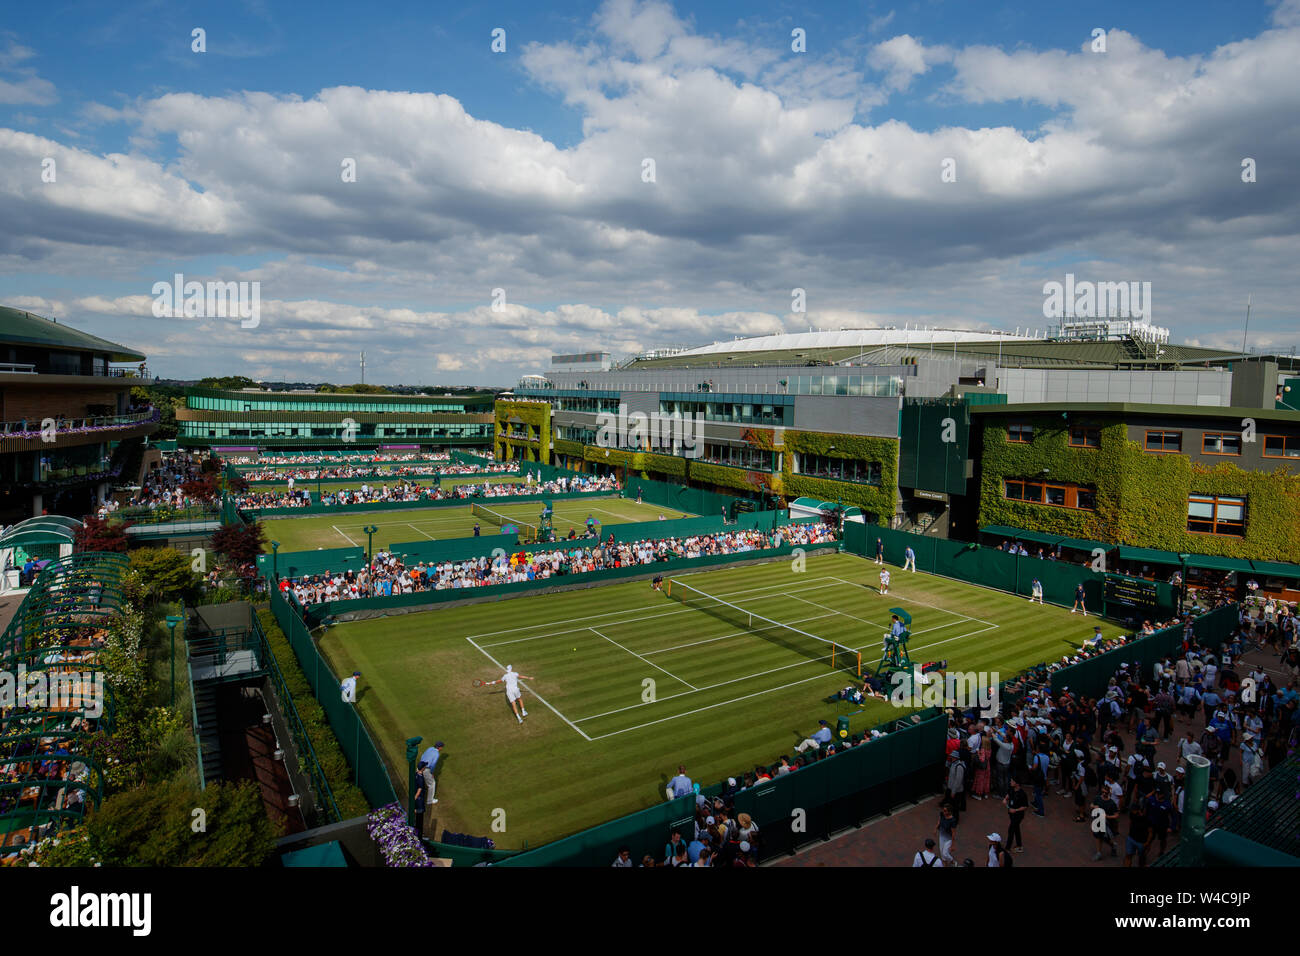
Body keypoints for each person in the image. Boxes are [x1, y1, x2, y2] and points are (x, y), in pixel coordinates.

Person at [1003, 778, 1028, 853]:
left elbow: (1025, 806)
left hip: (1018, 815)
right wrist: (1005, 799)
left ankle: (1007, 848)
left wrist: (1015, 810)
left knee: (1011, 830)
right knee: (1016, 829)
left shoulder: (1022, 794)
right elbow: (1008, 794)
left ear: (1017, 784)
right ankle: (1019, 846)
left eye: (1012, 781)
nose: (1010, 782)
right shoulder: (1012, 789)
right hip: (1011, 814)